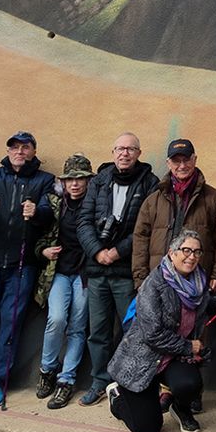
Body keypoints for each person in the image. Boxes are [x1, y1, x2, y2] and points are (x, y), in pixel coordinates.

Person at [0, 132, 56, 408]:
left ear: (33, 151)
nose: (19, 151)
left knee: (10, 324)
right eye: (14, 147)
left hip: (22, 265)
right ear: (8, 150)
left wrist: (36, 212)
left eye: (25, 147)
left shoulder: (45, 180)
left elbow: (49, 214)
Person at [107, 229, 216, 432]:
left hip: (172, 356)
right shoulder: (153, 285)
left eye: (197, 252)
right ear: (172, 253)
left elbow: (201, 304)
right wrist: (189, 347)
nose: (192, 256)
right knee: (148, 430)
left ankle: (180, 409)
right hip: (143, 359)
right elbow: (153, 335)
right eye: (186, 250)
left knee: (190, 384)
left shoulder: (198, 281)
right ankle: (117, 396)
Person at [76, 132, 158, 406]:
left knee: (132, 331)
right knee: (97, 332)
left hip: (126, 272)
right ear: (112, 153)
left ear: (138, 153)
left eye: (130, 149)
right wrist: (97, 251)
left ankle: (128, 383)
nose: (124, 154)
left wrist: (117, 251)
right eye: (120, 149)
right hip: (97, 271)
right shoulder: (98, 182)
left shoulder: (150, 183)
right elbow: (84, 221)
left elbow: (145, 229)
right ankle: (99, 381)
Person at [132, 139, 216, 294]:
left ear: (195, 160)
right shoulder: (152, 201)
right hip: (160, 280)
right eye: (176, 161)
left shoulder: (215, 198)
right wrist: (140, 279)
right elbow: (140, 239)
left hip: (199, 279)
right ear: (168, 163)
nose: (182, 166)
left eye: (186, 160)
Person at [35, 153, 92, 410]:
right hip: (58, 271)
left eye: (80, 179)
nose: (75, 184)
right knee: (56, 319)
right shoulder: (54, 204)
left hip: (85, 274)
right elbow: (38, 238)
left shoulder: (96, 205)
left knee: (78, 327)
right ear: (63, 182)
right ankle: (47, 369)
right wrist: (43, 251)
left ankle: (66, 379)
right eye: (70, 180)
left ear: (89, 181)